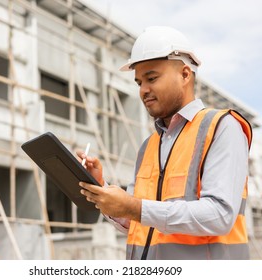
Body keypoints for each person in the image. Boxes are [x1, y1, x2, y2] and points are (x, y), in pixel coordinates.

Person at [78, 26, 252, 260]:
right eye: (139, 82)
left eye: (152, 78)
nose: (143, 90)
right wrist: (101, 187)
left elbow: (219, 215)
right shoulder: (149, 145)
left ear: (185, 75)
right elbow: (137, 223)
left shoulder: (222, 127)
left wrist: (134, 207)